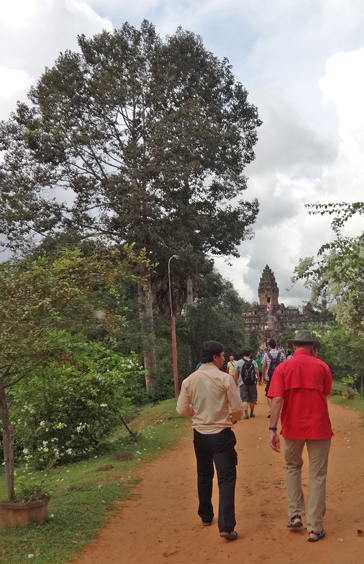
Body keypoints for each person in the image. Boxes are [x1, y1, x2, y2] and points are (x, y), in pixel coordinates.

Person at [268, 330, 333, 543]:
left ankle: (295, 514)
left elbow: (277, 400)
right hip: (319, 426)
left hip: (292, 427)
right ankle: (314, 528)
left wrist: (272, 429)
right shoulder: (322, 366)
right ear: (313, 347)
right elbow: (326, 392)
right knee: (317, 475)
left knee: (293, 467)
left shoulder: (282, 368)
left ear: (294, 346)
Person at [176, 341, 243, 541]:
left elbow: (181, 409)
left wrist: (197, 414)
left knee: (204, 475)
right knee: (226, 478)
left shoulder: (190, 380)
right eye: (222, 355)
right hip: (221, 434)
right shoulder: (224, 378)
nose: (224, 358)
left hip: (200, 434)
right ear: (215, 357)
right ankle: (226, 525)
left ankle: (206, 516)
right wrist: (234, 418)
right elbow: (237, 407)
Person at [262, 339, 286, 417]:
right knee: (279, 393)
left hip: (269, 376)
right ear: (276, 345)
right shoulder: (281, 354)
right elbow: (284, 365)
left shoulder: (266, 354)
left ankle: (271, 410)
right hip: (280, 376)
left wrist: (263, 377)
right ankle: (278, 410)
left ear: (269, 346)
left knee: (269, 393)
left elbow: (264, 366)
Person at [234, 349, 259, 419]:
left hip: (242, 382)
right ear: (250, 354)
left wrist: (235, 381)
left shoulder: (239, 362)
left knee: (244, 398)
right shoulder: (253, 362)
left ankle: (245, 414)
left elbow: (236, 373)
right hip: (252, 382)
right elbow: (256, 371)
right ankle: (252, 413)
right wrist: (258, 379)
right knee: (252, 398)